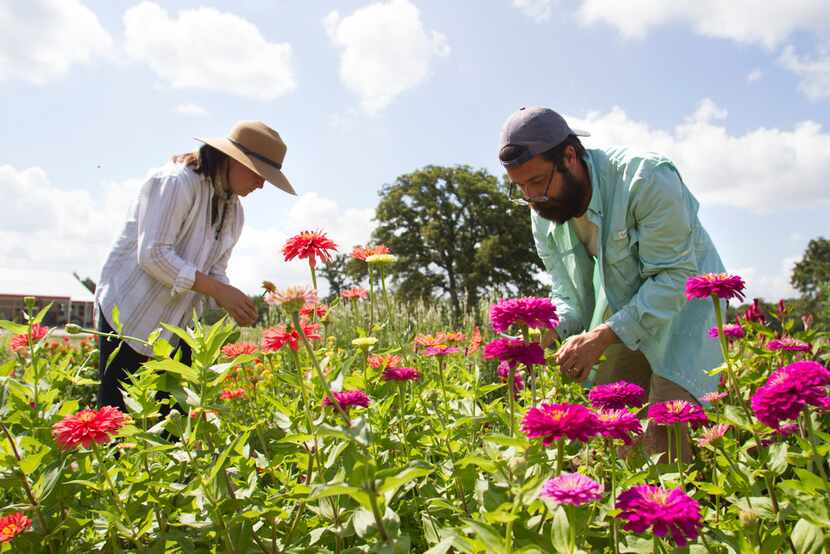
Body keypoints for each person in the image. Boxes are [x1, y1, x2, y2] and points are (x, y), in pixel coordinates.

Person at [498, 106, 725, 460]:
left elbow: (676, 277)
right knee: (609, 434)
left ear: (570, 156)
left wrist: (601, 336)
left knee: (669, 442)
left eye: (538, 182)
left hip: (685, 314)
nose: (532, 198)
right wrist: (550, 328)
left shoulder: (645, 179)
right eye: (520, 187)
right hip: (619, 317)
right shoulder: (541, 213)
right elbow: (567, 293)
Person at [95, 121, 295, 411]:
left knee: (172, 426)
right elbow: (153, 255)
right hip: (130, 314)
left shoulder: (233, 211)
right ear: (232, 160)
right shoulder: (176, 182)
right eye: (259, 173)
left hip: (175, 326)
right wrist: (219, 290)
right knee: (118, 417)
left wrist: (231, 300)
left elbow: (215, 270)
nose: (262, 184)